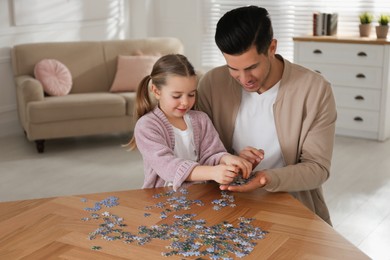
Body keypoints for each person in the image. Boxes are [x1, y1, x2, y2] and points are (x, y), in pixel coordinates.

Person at [197, 6, 337, 225]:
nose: (244, 79)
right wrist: (229, 163)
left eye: (252, 67)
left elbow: (317, 168)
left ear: (272, 47)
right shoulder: (211, 84)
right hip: (223, 205)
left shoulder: (315, 90)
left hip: (293, 206)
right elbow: (198, 152)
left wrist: (265, 179)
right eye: (233, 68)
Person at [128, 54, 252, 191]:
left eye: (191, 94)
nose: (185, 102)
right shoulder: (146, 126)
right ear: (156, 91)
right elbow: (167, 166)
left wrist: (226, 159)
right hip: (161, 198)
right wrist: (212, 172)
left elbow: (211, 155)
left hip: (201, 195)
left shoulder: (201, 119)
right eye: (177, 96)